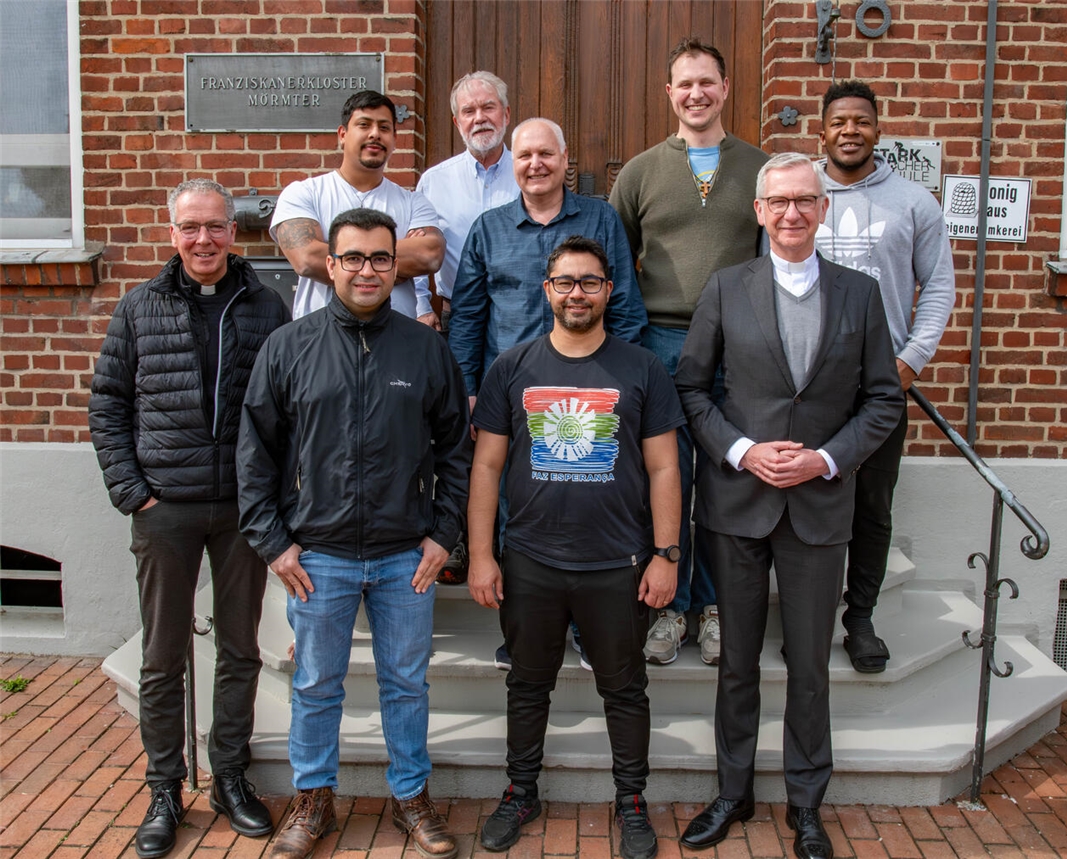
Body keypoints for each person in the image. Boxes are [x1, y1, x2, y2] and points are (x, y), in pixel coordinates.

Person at [675, 154, 902, 859]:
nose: (793, 213)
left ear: (822, 210)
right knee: (737, 660)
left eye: (806, 200)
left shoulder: (860, 295)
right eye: (780, 202)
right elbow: (691, 389)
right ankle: (734, 791)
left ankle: (806, 803)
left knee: (809, 665)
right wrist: (741, 450)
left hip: (819, 505)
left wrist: (825, 457)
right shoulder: (725, 288)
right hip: (737, 502)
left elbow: (884, 398)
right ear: (760, 211)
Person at [237, 208, 470, 859]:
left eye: (379, 258)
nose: (367, 269)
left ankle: (411, 797)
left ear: (395, 267)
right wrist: (273, 541)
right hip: (319, 555)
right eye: (354, 257)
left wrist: (443, 534)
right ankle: (313, 799)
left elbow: (456, 449)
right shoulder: (289, 346)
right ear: (329, 264)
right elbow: (255, 450)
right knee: (315, 682)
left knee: (405, 681)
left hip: (405, 555)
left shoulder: (425, 348)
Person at [89, 179, 289, 859]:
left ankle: (229, 774)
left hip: (240, 508)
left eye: (216, 226)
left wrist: (274, 493)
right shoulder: (139, 307)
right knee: (161, 655)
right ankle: (164, 786)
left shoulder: (267, 306)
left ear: (235, 233)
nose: (203, 239)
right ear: (172, 233)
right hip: (164, 508)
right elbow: (107, 403)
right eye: (190, 227)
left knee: (238, 648)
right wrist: (132, 489)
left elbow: (287, 408)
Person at [467, 236, 683, 859]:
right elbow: (486, 468)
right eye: (565, 282)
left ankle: (632, 800)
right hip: (531, 561)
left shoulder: (642, 368)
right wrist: (483, 555)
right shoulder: (513, 366)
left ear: (609, 291)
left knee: (624, 687)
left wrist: (666, 556)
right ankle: (520, 790)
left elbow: (666, 469)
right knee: (528, 684)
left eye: (590, 282)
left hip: (619, 562)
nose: (577, 293)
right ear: (547, 290)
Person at [609, 37, 769, 666]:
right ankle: (667, 609)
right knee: (664, 479)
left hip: (736, 347)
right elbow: (617, 264)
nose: (696, 93)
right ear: (669, 93)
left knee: (727, 480)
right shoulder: (641, 172)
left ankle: (712, 607)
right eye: (685, 84)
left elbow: (774, 258)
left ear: (725, 89)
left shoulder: (760, 167)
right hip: (660, 344)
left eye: (708, 82)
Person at [815, 79, 956, 673]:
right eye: (839, 121)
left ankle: (860, 619)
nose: (850, 130)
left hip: (880, 386)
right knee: (805, 503)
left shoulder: (914, 202)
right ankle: (808, 613)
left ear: (878, 129)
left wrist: (908, 362)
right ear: (822, 131)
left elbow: (940, 287)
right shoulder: (796, 195)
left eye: (862, 121)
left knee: (871, 507)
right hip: (806, 382)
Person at [449, 116, 646, 407]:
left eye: (546, 153)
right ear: (513, 163)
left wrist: (623, 380)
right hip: (507, 390)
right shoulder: (487, 229)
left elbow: (625, 308)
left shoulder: (602, 220)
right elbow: (467, 318)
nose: (535, 164)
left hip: (589, 389)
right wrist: (466, 388)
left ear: (564, 158)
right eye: (525, 156)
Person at [414, 70, 519, 584]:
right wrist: (420, 305)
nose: (481, 118)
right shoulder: (435, 180)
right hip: (459, 314)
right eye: (469, 111)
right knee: (461, 431)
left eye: (489, 108)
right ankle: (456, 539)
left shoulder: (528, 167)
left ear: (505, 113)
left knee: (515, 431)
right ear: (457, 121)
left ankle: (509, 544)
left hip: (524, 314)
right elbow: (415, 246)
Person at [271, 90, 445, 322]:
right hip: (321, 341)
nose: (375, 134)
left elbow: (430, 255)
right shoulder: (304, 193)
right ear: (343, 134)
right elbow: (307, 258)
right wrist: (392, 266)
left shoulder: (414, 203)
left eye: (384, 128)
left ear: (395, 138)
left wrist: (337, 258)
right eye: (364, 125)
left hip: (394, 344)